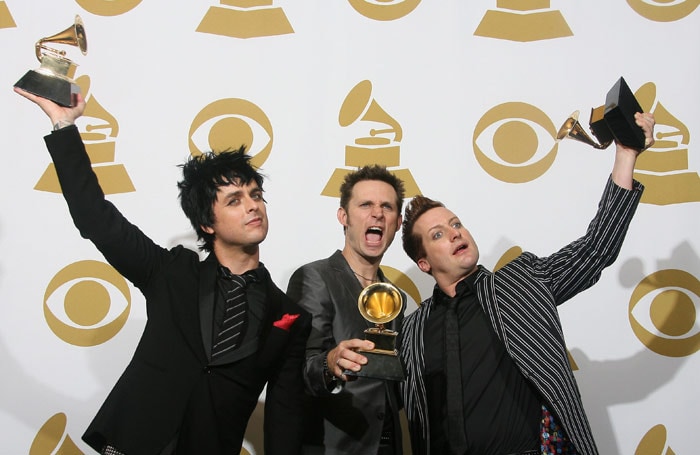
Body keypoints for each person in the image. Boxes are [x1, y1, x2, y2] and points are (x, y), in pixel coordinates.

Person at [15, 88, 311, 455]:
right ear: (206, 223)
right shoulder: (170, 272)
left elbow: (286, 414)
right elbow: (96, 218)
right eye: (235, 200)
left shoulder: (290, 317)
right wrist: (63, 125)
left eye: (256, 195)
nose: (253, 206)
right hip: (133, 444)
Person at [398, 112, 656, 455]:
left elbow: (596, 248)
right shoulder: (413, 331)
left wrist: (625, 153)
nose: (455, 232)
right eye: (438, 234)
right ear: (424, 263)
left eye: (456, 223)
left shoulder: (521, 281)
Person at [286, 165, 407, 455]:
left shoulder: (395, 298)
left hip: (387, 445)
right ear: (344, 216)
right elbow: (298, 369)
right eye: (365, 204)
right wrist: (330, 363)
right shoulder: (315, 277)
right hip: (335, 444)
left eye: (386, 206)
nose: (377, 213)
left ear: (398, 222)